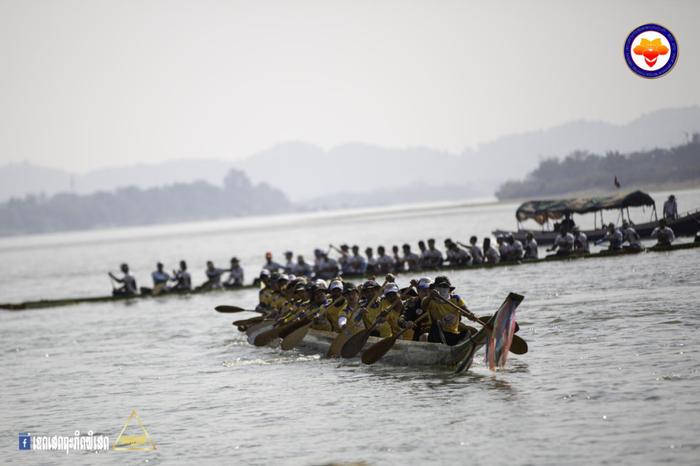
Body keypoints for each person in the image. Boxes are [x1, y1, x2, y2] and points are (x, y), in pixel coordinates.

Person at [421, 276, 469, 346]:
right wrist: (430, 296)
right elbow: (423, 306)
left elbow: (465, 310)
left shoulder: (455, 299)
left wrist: (471, 315)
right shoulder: (430, 300)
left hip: (452, 334)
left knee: (467, 332)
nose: (442, 290)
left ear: (449, 290)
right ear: (435, 289)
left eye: (445, 287)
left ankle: (458, 347)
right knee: (436, 324)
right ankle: (443, 346)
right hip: (436, 336)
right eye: (440, 287)